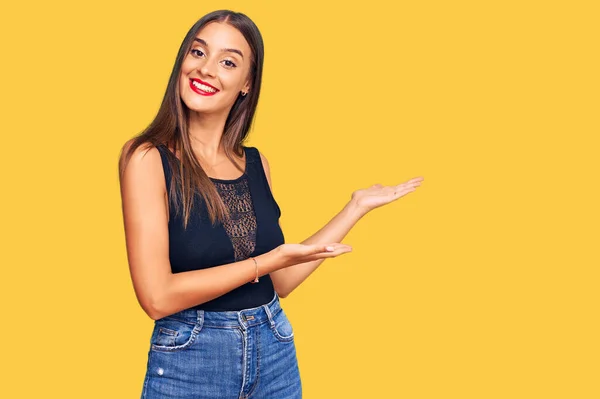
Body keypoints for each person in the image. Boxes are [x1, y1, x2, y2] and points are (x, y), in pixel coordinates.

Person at [118, 9, 423, 399]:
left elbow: (280, 282)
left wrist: (355, 208)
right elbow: (156, 297)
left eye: (227, 62)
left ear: (246, 83)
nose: (207, 70)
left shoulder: (256, 163)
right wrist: (267, 261)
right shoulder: (147, 158)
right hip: (193, 357)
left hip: (273, 346)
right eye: (198, 53)